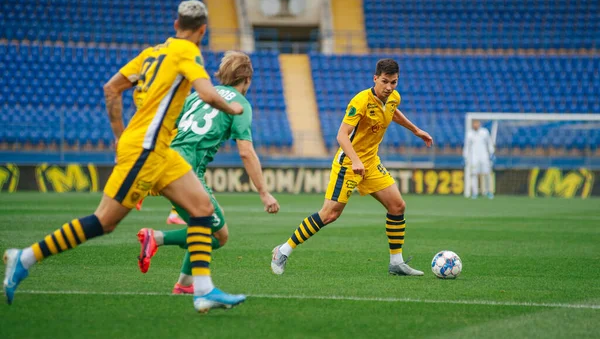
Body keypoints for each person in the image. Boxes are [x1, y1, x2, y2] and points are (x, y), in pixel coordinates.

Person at [3, 0, 247, 313]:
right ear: (202, 30)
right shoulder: (188, 52)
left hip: (158, 149)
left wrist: (120, 136)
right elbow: (206, 93)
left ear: (176, 25)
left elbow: (111, 88)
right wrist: (233, 107)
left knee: (202, 208)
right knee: (103, 221)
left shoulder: (150, 54)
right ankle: (25, 257)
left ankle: (202, 290)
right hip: (145, 150)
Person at [270, 59, 433, 276]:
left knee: (397, 206)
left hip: (371, 162)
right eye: (384, 81)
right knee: (329, 214)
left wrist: (416, 130)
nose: (389, 87)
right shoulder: (361, 101)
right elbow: (341, 135)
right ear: (375, 78)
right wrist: (355, 160)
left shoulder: (393, 97)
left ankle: (396, 262)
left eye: (393, 82)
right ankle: (282, 250)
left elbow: (392, 111)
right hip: (348, 163)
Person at [135, 51, 280, 294]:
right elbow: (246, 151)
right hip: (185, 172)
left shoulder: (198, 96)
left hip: (169, 163)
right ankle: (156, 238)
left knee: (205, 225)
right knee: (218, 235)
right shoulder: (240, 104)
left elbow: (165, 126)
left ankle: (184, 284)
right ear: (247, 80)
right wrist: (264, 193)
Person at [463, 119, 495, 199]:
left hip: (484, 157)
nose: (475, 125)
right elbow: (467, 146)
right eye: (474, 123)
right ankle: (475, 193)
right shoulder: (469, 134)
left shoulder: (484, 132)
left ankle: (488, 191)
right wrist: (465, 156)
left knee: (487, 174)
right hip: (474, 157)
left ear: (479, 124)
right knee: (474, 174)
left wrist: (491, 153)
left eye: (477, 123)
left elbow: (489, 143)